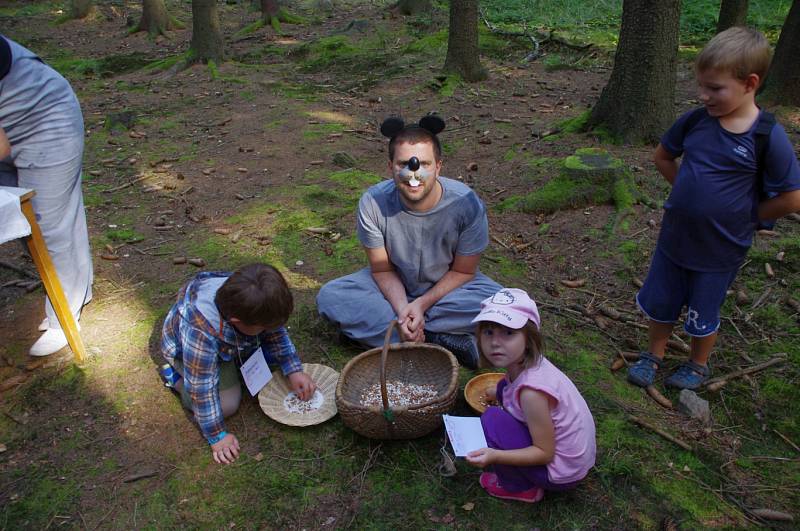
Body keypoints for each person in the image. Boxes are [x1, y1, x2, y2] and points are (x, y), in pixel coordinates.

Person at [628, 27, 800, 390]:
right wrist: (690, 197)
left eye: (715, 88)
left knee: (703, 308)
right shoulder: (695, 121)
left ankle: (697, 363)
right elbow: (662, 157)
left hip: (721, 248)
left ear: (750, 83)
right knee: (662, 300)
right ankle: (653, 354)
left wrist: (750, 215)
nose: (703, 95)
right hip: (675, 239)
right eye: (701, 86)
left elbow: (792, 197)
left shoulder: (767, 135)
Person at [316, 115, 501, 368]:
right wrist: (405, 308)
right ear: (390, 166)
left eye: (424, 163)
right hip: (393, 288)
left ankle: (396, 334)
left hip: (449, 290)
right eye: (404, 163)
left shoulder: (465, 203)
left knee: (506, 304)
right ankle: (436, 339)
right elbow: (382, 269)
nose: (414, 173)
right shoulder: (372, 203)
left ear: (438, 166)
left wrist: (421, 306)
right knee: (332, 296)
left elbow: (463, 270)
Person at [160, 263, 318, 465]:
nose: (270, 329)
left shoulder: (252, 298)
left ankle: (242, 353)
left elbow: (276, 333)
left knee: (271, 358)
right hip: (192, 356)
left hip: (233, 343)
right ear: (236, 321)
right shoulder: (200, 332)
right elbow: (201, 388)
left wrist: (293, 369)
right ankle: (176, 379)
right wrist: (217, 435)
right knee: (227, 405)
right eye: (263, 327)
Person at [0, 34, 93, 356]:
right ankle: (76, 292)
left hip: (47, 121)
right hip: (9, 126)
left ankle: (64, 320)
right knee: (25, 225)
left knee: (47, 224)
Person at [465, 288, 596, 503]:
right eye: (488, 332)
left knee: (492, 418)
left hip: (558, 473)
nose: (495, 342)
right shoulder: (530, 364)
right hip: (570, 460)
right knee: (500, 388)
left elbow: (545, 453)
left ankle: (521, 488)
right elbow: (506, 384)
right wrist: (498, 391)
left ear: (529, 337)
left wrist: (495, 455)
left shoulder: (531, 393)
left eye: (508, 332)